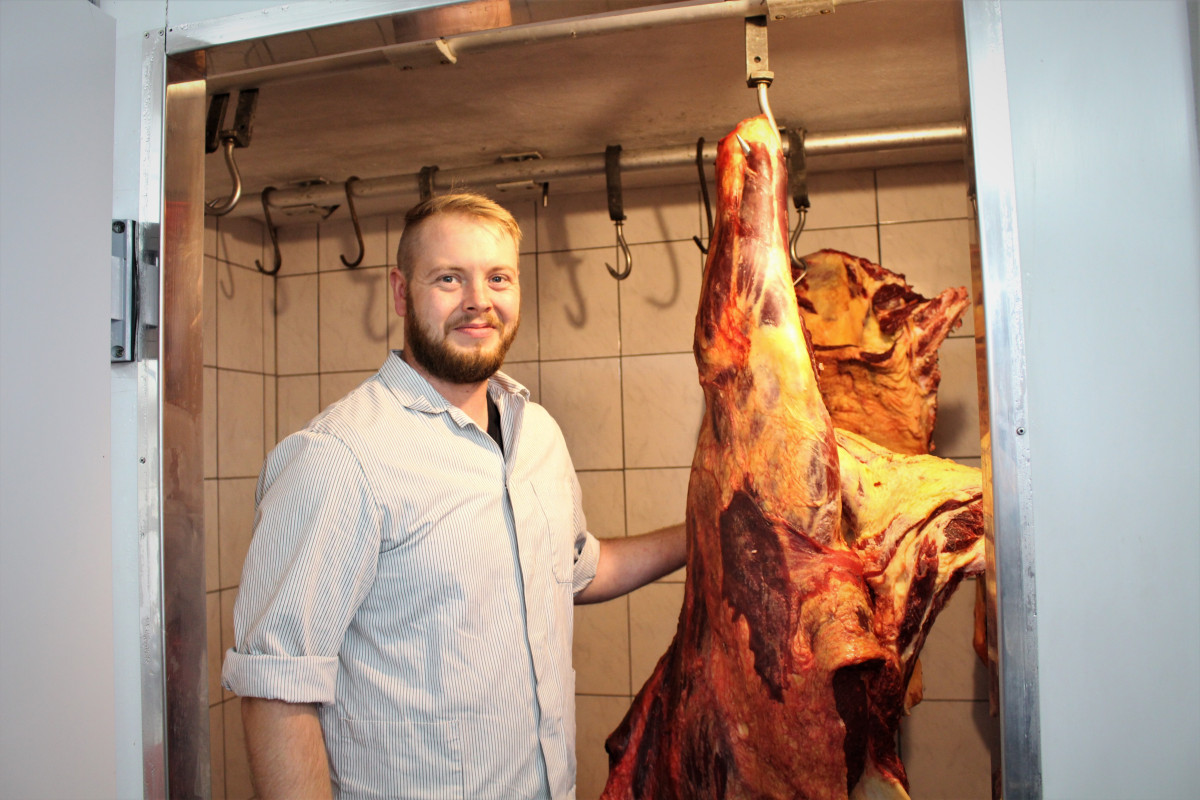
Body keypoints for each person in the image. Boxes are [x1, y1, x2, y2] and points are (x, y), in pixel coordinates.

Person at [221, 192, 687, 800]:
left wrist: (706, 534)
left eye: (498, 278)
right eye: (449, 278)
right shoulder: (340, 457)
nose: (479, 301)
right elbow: (275, 687)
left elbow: (578, 568)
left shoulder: (536, 432)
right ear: (400, 293)